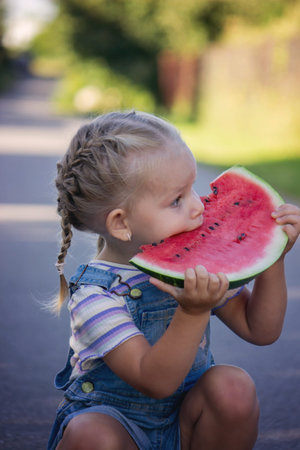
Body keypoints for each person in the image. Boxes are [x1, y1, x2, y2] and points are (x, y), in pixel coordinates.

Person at [48, 111, 300, 450]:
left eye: (193, 188)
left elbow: (261, 330)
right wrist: (193, 312)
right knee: (92, 434)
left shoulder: (197, 262)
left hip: (186, 423)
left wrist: (273, 256)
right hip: (119, 431)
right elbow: (155, 381)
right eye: (176, 200)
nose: (197, 207)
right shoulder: (95, 298)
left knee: (233, 386)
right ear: (121, 224)